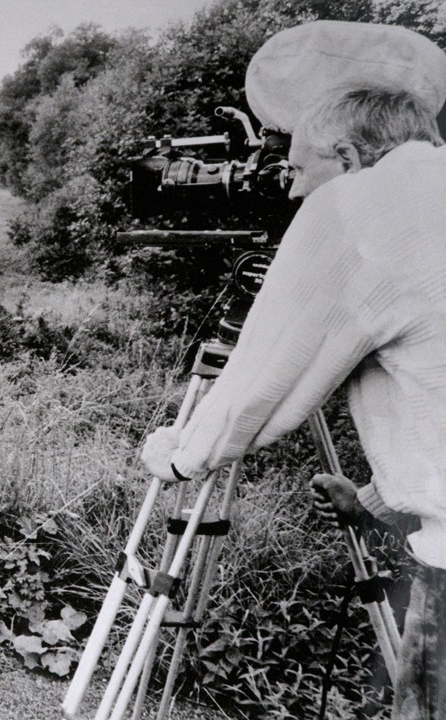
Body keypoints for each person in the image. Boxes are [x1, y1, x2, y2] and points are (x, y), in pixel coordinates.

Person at [140, 85, 446, 718]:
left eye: (300, 171)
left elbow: (269, 373)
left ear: (350, 157)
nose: (293, 192)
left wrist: (183, 455)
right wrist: (372, 501)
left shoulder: (365, 203)